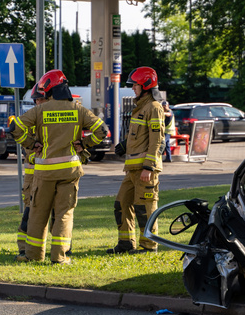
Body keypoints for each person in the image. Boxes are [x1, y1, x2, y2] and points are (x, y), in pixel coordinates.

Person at [10, 69, 108, 264]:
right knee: (64, 214)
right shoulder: (78, 109)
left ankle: (33, 256)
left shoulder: (40, 110)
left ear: (49, 90)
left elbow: (15, 128)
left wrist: (31, 144)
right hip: (70, 171)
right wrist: (85, 144)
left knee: (38, 213)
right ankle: (60, 257)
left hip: (44, 172)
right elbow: (102, 130)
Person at [109, 66, 165, 254]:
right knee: (121, 204)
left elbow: (157, 140)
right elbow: (141, 137)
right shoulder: (140, 108)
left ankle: (149, 246)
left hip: (145, 170)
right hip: (132, 170)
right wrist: (126, 144)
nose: (133, 88)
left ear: (146, 85)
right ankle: (126, 243)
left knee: (145, 208)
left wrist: (148, 168)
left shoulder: (154, 108)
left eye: (135, 85)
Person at [14, 88, 46, 258]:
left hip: (49, 175)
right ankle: (24, 248)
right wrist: (32, 146)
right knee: (28, 214)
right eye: (36, 100)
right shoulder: (31, 119)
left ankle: (61, 249)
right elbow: (17, 132)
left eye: (41, 100)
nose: (37, 103)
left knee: (57, 215)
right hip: (32, 177)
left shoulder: (53, 121)